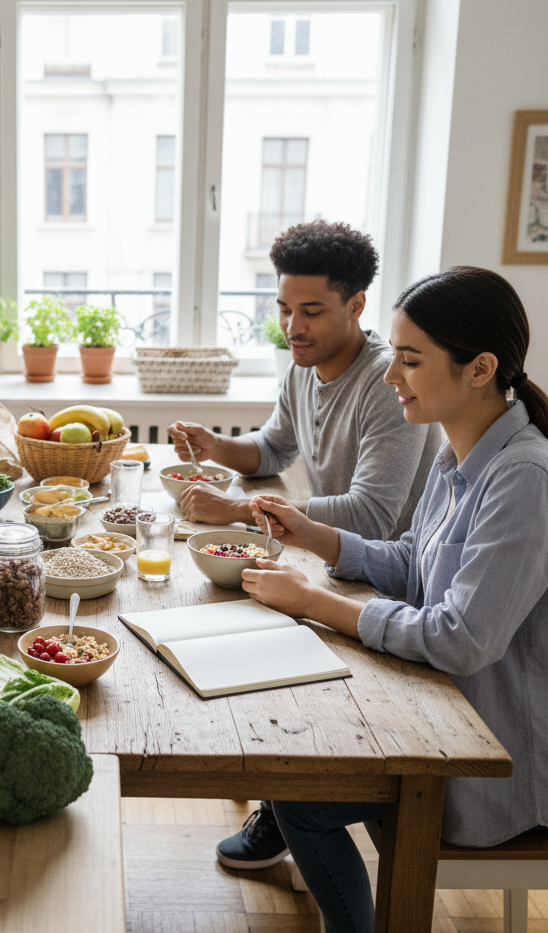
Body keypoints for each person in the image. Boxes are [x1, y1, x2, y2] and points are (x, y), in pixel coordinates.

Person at [240, 266, 548, 933]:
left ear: (479, 368)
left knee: (303, 792)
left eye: (410, 360)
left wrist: (315, 603)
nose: (390, 376)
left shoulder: (523, 476)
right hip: (443, 719)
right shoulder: (460, 453)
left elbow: (461, 638)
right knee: (299, 747)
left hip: (489, 769)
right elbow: (413, 564)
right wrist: (317, 536)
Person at [167, 221, 441, 869]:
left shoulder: (386, 382)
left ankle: (290, 808)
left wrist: (241, 506)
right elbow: (273, 445)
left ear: (356, 306)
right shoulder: (304, 364)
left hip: (378, 575)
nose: (293, 326)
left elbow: (374, 515)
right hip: (326, 558)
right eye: (285, 309)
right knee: (226, 622)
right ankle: (284, 803)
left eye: (311, 311)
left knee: (261, 648)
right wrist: (218, 447)